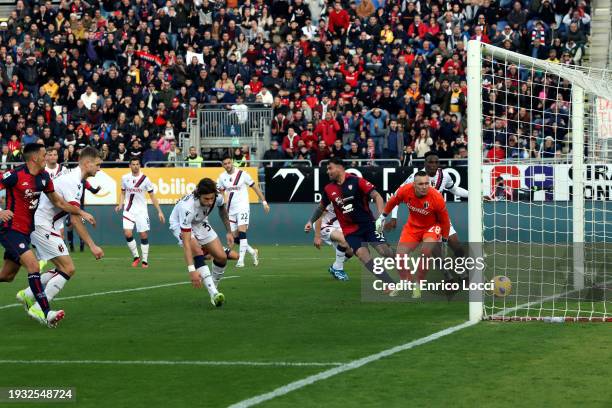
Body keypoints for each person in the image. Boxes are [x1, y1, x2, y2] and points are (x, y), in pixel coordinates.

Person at [0, 143, 96, 327]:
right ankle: (45, 311)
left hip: (26, 232)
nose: (48, 158)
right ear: (35, 157)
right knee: (33, 265)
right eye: (45, 155)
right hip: (10, 229)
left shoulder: (44, 177)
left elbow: (59, 202)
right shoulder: (15, 175)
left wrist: (81, 212)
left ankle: (39, 306)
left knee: (7, 275)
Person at [304, 157, 396, 289]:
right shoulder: (329, 189)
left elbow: (377, 196)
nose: (328, 171)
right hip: (351, 231)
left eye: (330, 168)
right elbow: (320, 208)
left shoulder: (356, 181)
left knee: (384, 251)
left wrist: (381, 217)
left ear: (340, 167)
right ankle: (389, 283)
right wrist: (310, 221)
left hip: (369, 225)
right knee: (362, 255)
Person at [376, 171, 451, 298]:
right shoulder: (405, 190)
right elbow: (393, 201)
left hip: (432, 227)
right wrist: (382, 216)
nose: (424, 186)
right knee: (400, 255)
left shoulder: (436, 197)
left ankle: (418, 284)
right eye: (421, 184)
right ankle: (406, 280)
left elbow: (445, 221)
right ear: (414, 185)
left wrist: (444, 241)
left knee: (426, 251)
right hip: (412, 226)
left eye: (427, 183)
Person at [386, 152, 467, 259]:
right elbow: (396, 196)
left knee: (457, 247)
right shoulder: (415, 178)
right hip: (423, 220)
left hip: (440, 218)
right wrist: (393, 217)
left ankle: (461, 269)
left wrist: (476, 195)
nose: (433, 165)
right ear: (425, 163)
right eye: (430, 162)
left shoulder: (445, 175)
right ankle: (449, 274)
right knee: (436, 253)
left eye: (436, 162)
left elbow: (455, 189)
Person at [168, 178, 233, 307]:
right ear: (199, 195)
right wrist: (191, 270)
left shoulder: (217, 197)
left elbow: (222, 210)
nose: (210, 202)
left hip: (199, 222)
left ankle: (213, 284)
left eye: (211, 198)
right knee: (197, 250)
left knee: (222, 257)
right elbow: (187, 243)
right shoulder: (188, 208)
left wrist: (229, 231)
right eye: (206, 199)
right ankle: (214, 293)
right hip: (180, 223)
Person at [217, 155, 270, 267]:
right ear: (223, 165)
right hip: (230, 210)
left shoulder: (242, 174)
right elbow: (221, 193)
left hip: (243, 207)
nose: (227, 165)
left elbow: (255, 187)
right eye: (225, 164)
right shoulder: (221, 177)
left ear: (232, 162)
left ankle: (241, 260)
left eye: (228, 163)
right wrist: (223, 204)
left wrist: (264, 202)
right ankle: (252, 251)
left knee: (242, 232)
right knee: (235, 237)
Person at [115, 158, 165, 268]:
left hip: (141, 211)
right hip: (128, 210)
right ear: (130, 166)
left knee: (143, 234)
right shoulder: (125, 178)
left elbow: (152, 196)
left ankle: (145, 260)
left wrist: (159, 212)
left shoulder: (145, 179)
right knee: (127, 233)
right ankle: (136, 257)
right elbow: (122, 193)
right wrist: (120, 204)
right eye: (133, 164)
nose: (135, 166)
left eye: (137, 164)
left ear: (140, 166)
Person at [310, 203, 353, 281]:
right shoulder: (332, 198)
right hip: (323, 225)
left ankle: (335, 267)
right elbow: (319, 216)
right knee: (344, 240)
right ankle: (338, 270)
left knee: (351, 251)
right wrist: (317, 236)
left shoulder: (353, 198)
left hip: (338, 226)